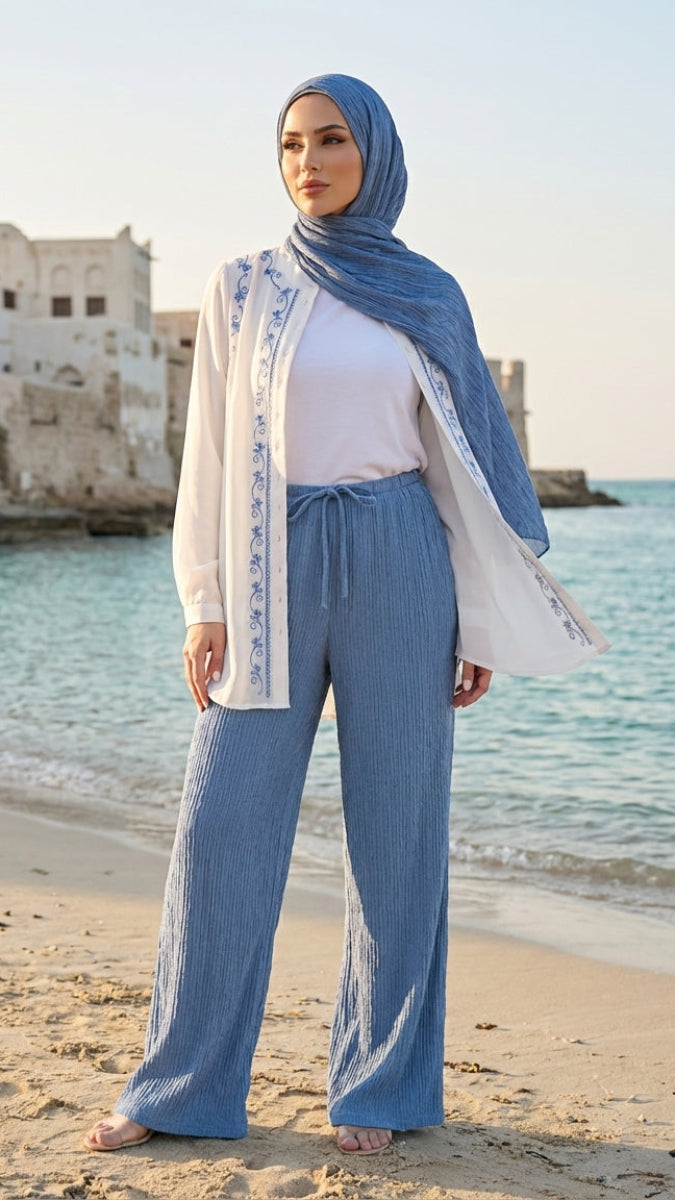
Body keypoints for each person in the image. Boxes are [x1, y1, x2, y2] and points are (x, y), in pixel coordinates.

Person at [85, 73, 608, 1157]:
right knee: (221, 823)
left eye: (330, 140)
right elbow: (211, 459)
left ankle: (380, 1086)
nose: (308, 161)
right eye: (289, 144)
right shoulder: (243, 287)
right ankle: (178, 1086)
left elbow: (459, 464)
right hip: (271, 557)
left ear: (374, 151)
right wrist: (205, 602)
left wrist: (473, 617)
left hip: (401, 558)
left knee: (398, 833)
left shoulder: (426, 293)